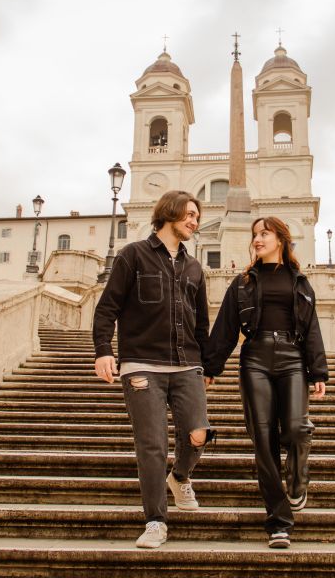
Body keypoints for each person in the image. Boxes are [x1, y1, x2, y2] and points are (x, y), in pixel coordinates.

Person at [93, 190, 213, 549]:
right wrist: (103, 351)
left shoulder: (194, 267)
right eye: (189, 214)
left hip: (187, 364)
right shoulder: (133, 255)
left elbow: (202, 322)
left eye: (196, 216)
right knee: (152, 445)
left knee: (199, 433)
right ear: (169, 213)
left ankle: (179, 477)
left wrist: (205, 362)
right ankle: (156, 521)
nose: (194, 221)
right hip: (142, 364)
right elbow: (107, 308)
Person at [206, 216, 328, 549]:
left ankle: (298, 481)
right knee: (263, 439)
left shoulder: (300, 281)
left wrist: (318, 371)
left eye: (264, 233)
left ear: (281, 239)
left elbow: (312, 327)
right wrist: (211, 366)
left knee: (297, 428)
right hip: (255, 357)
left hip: (293, 358)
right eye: (255, 234)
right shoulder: (243, 282)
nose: (257, 239)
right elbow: (226, 327)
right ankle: (278, 522)